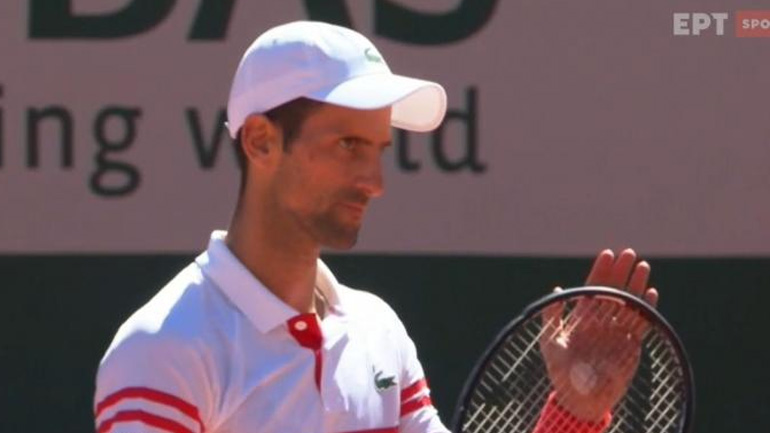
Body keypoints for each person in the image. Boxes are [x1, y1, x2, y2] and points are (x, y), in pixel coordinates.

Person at [93, 21, 658, 433]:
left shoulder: (378, 331)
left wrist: (577, 411)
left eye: (379, 150)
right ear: (261, 141)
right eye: (348, 145)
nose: (374, 181)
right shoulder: (163, 349)